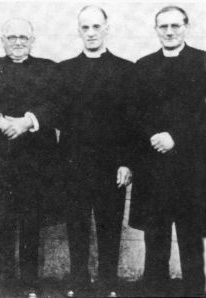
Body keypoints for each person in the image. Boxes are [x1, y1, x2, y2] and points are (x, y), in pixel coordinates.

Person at [0, 18, 64, 297]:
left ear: (32, 40)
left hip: (35, 160)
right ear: (3, 40)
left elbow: (57, 105)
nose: (17, 42)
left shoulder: (48, 69)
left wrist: (27, 121)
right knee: (1, 220)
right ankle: (0, 281)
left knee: (31, 221)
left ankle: (29, 282)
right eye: (11, 37)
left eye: (23, 37)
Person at [127, 6, 206, 297]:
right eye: (163, 27)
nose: (170, 32)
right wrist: (154, 135)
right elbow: (134, 112)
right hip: (154, 164)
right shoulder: (143, 66)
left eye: (175, 26)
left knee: (190, 235)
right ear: (156, 30)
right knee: (155, 234)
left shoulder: (203, 62)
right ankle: (155, 290)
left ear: (187, 27)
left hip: (191, 165)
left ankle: (196, 291)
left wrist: (176, 137)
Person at [56, 6, 133, 297]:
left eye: (96, 27)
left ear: (106, 29)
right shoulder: (64, 70)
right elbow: (58, 115)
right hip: (74, 160)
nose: (91, 33)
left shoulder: (125, 69)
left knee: (110, 224)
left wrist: (126, 162)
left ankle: (108, 284)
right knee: (76, 224)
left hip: (111, 163)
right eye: (85, 27)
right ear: (79, 31)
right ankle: (78, 282)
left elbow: (130, 120)